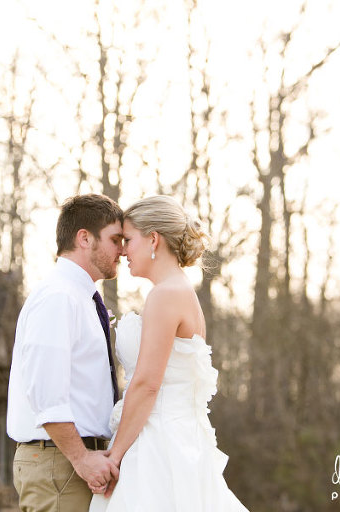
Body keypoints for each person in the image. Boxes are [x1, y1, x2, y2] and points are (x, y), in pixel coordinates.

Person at [90, 195, 248, 511]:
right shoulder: (177, 291)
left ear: (153, 239)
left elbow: (148, 384)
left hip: (157, 445)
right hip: (173, 436)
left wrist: (115, 455)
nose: (122, 250)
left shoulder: (166, 296)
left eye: (128, 240)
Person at [7, 194, 124, 512]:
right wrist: (81, 457)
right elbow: (46, 394)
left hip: (75, 463)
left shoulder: (80, 297)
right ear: (85, 238)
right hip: (60, 466)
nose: (123, 250)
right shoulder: (58, 297)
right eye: (115, 240)